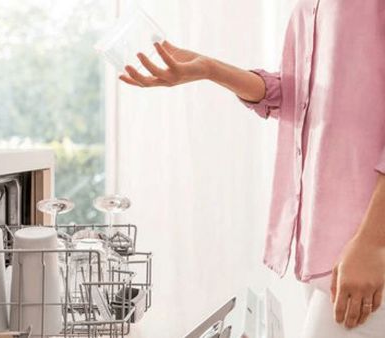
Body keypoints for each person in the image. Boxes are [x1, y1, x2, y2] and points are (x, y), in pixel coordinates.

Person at [119, 1, 385, 337]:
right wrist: (208, 69)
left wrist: (373, 243)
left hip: (368, 245)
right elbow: (301, 96)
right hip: (327, 246)